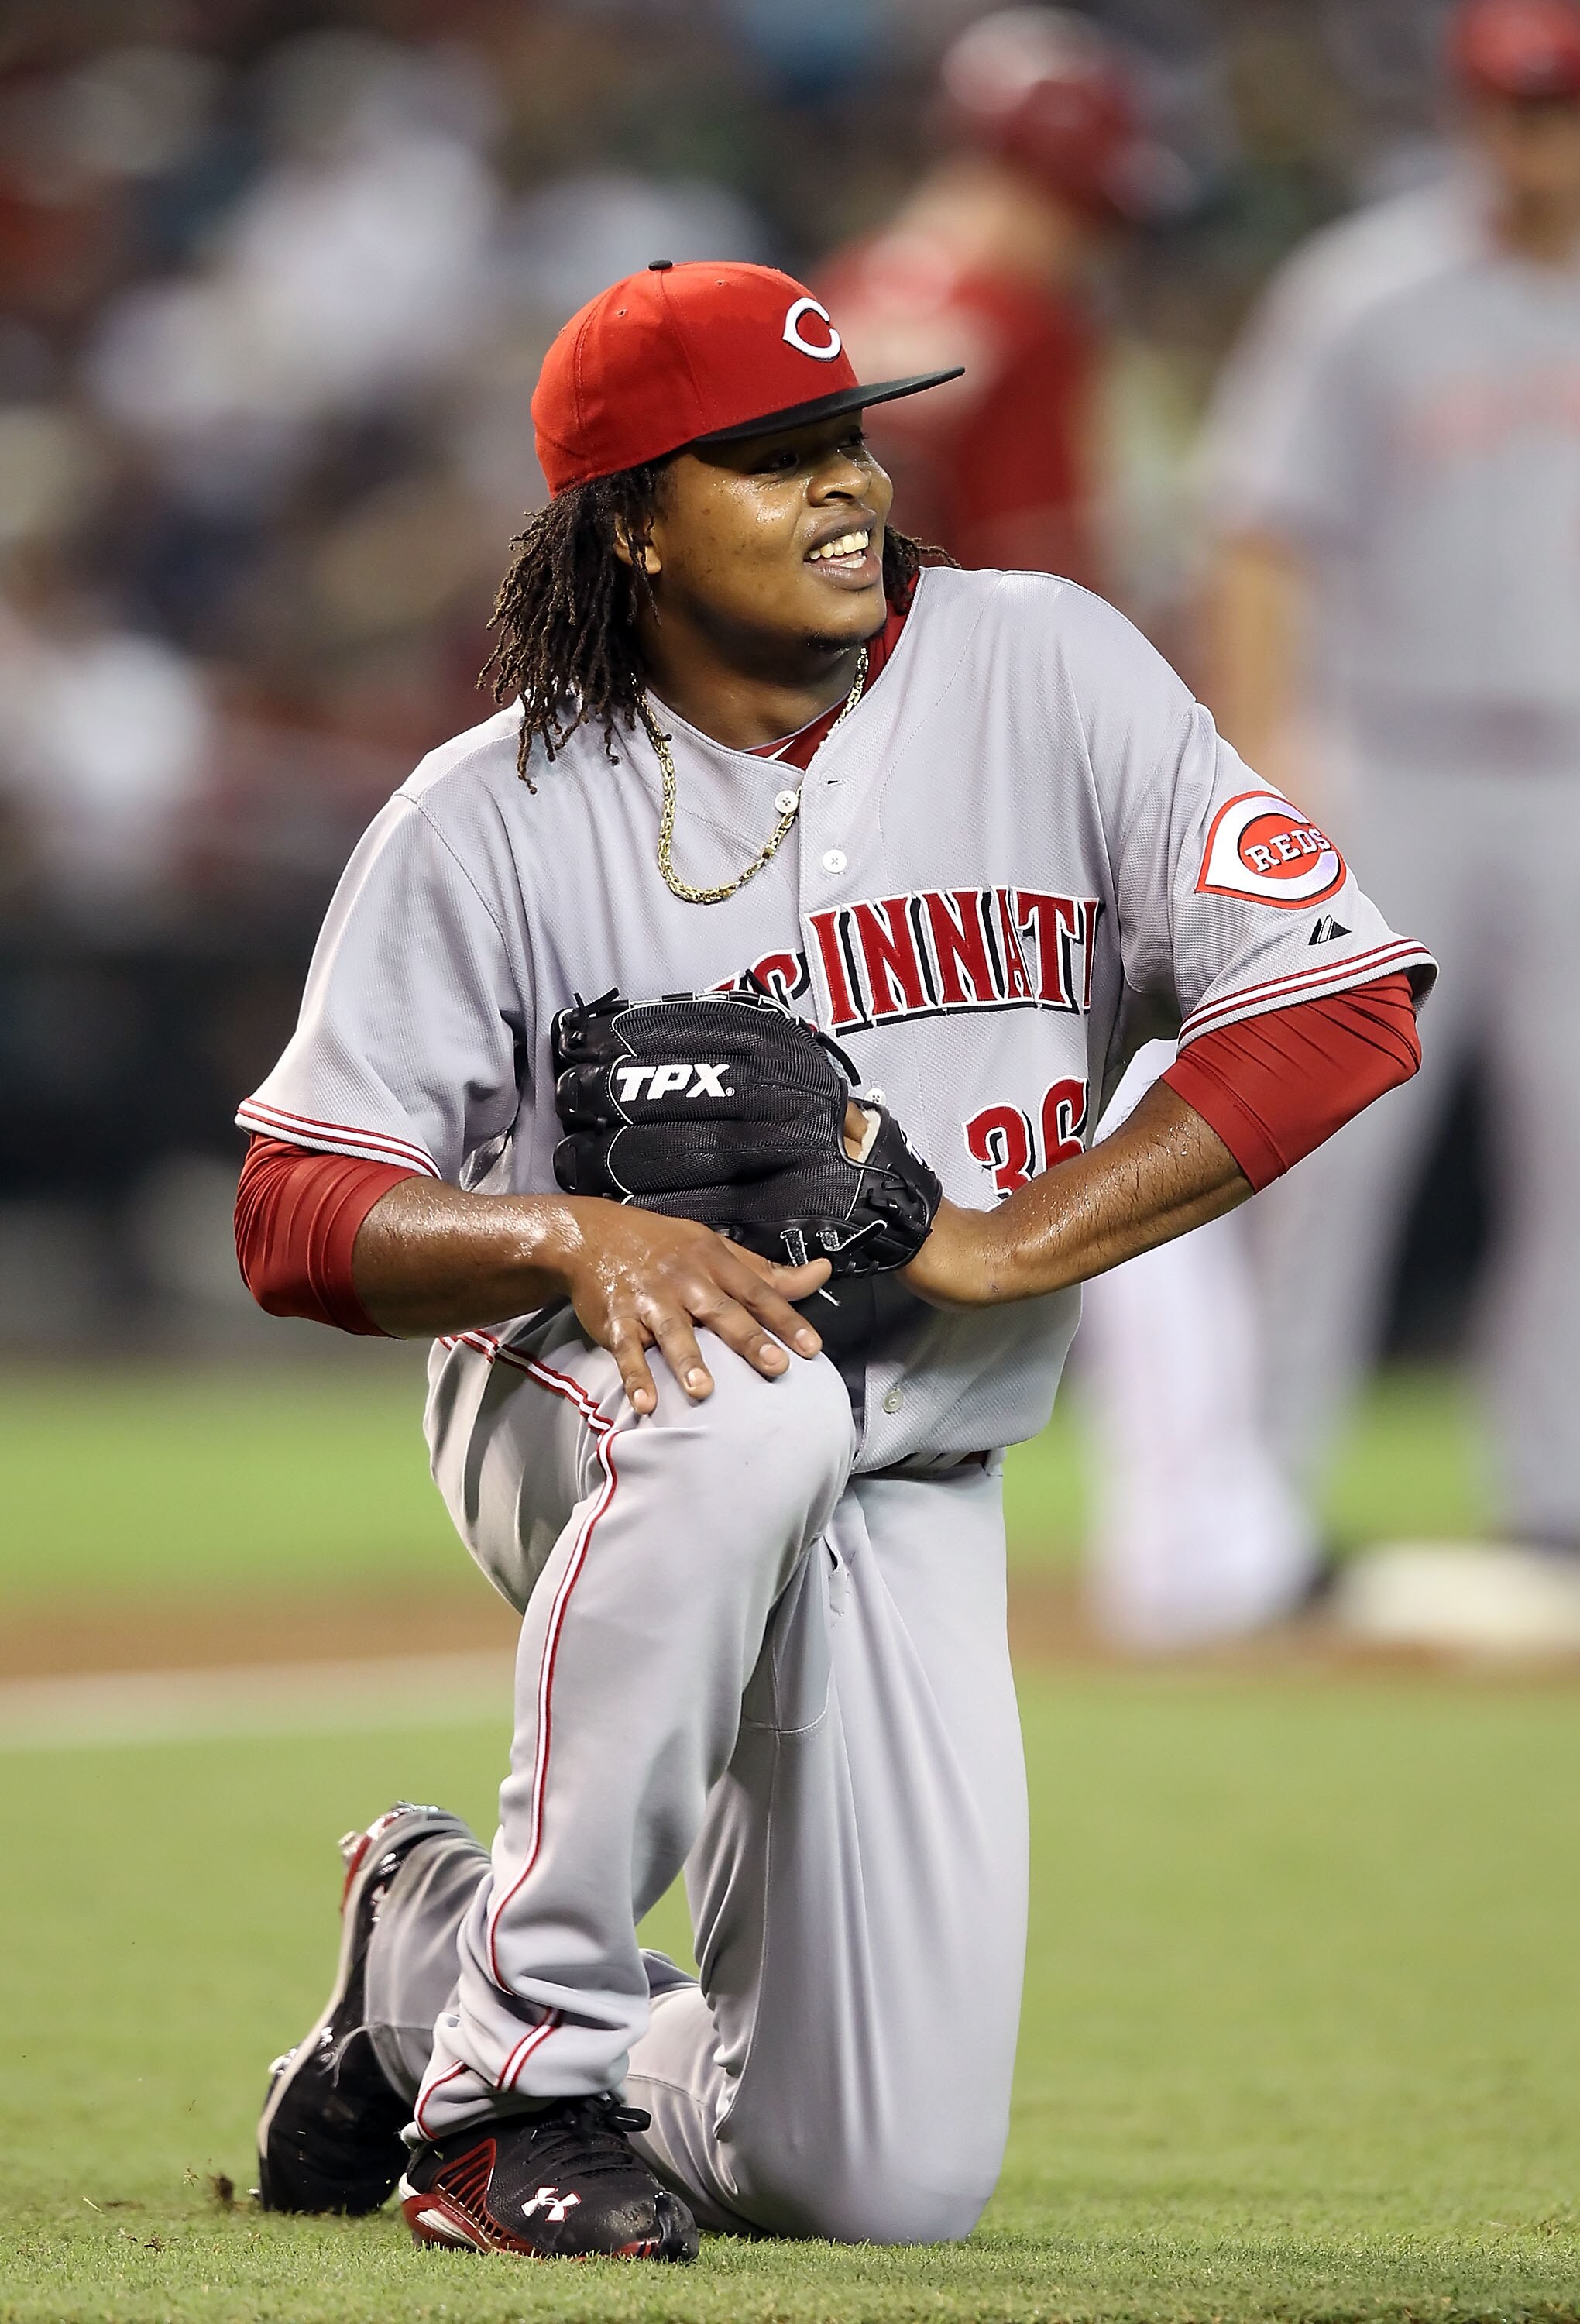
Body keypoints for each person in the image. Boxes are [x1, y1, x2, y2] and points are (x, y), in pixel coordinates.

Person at [233, 258, 1432, 2260]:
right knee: (747, 1396)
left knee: (868, 2177)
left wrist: (1001, 1240)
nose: (847, 489)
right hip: (594, 1392)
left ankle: (423, 1954)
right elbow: (293, 1209)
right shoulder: (492, 815)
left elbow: (1340, 1002)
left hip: (919, 1451)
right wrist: (563, 1226)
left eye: (851, 440)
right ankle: (506, 2093)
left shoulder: (1043, 667)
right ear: (628, 521)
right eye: (770, 461)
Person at [823, 6, 1320, 1645]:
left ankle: (805, 1503)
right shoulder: (1022, 323)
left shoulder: (840, 296)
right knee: (1135, 1128)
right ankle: (1203, 1539)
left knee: (870, 1154)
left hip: (812, 786)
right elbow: (1052, 596)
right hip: (994, 785)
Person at [1202, 0, 1580, 1647]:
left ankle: (1559, 1498)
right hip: (1403, 758)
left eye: (1558, 108)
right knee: (1332, 1139)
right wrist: (1269, 761)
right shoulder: (1364, 293)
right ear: (1465, 111)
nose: (1536, 137)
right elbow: (1263, 536)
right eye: (1514, 107)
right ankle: (1252, 1498)